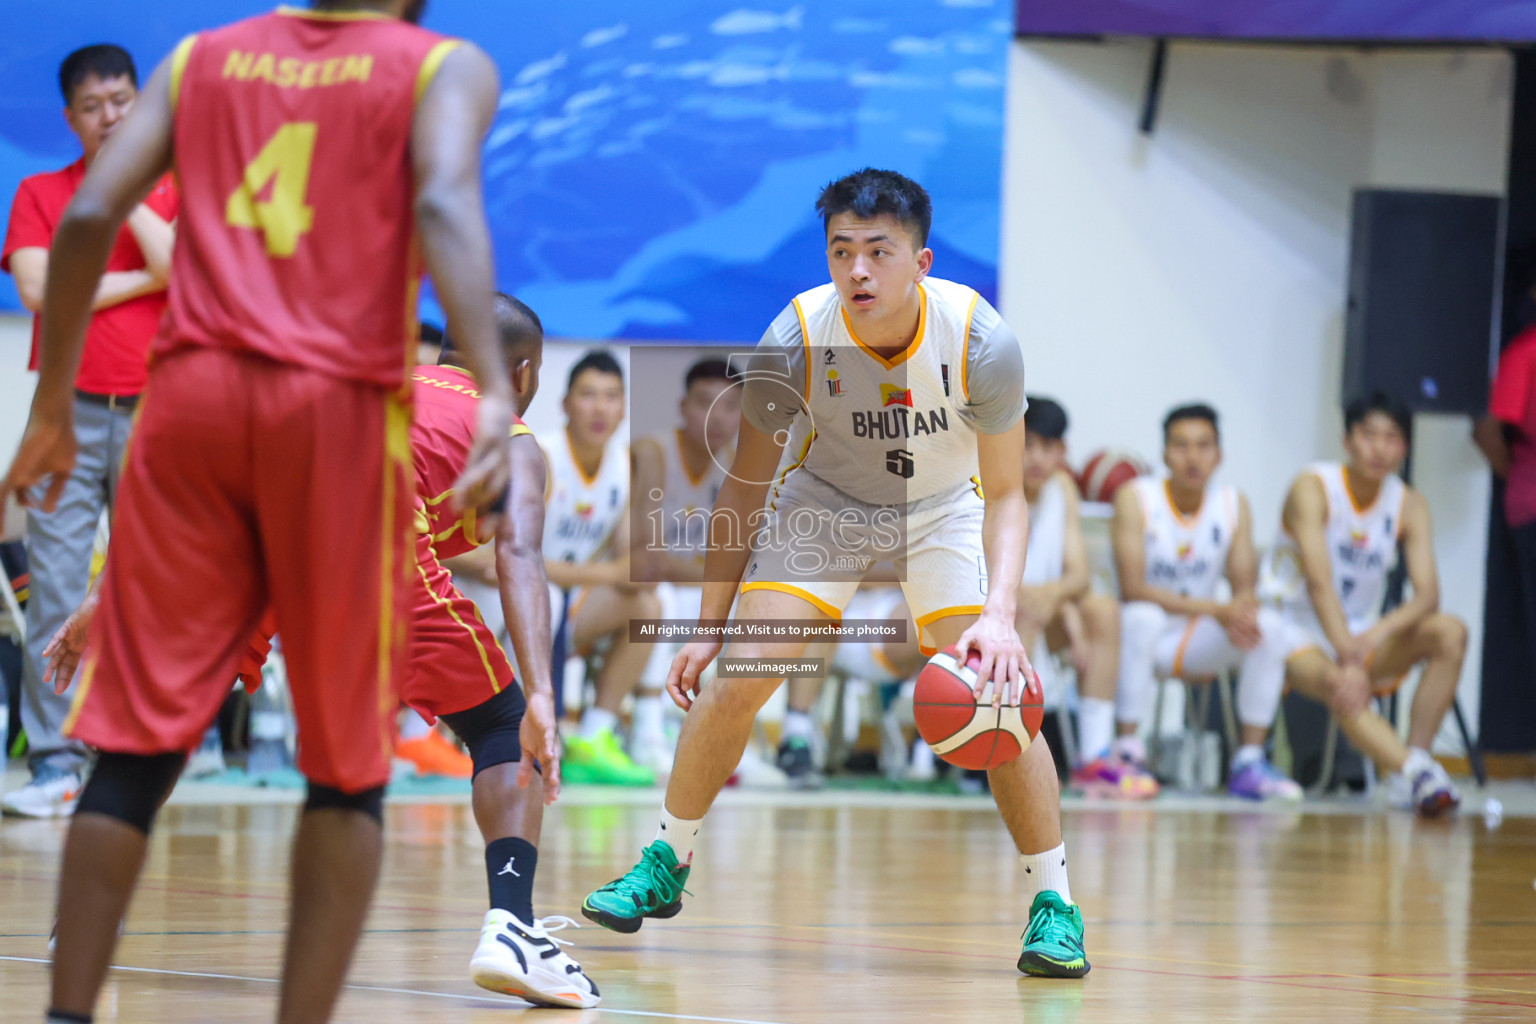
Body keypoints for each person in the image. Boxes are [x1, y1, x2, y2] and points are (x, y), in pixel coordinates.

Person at [0, 5, 518, 1022]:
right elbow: (448, 204)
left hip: (186, 407)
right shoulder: (443, 66)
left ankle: (62, 1016)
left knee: (139, 748)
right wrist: (491, 381)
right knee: (343, 771)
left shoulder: (202, 57)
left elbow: (93, 213)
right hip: (332, 409)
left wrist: (52, 401)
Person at [582, 168, 1090, 978]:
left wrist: (999, 616)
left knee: (999, 684)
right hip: (826, 501)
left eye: (878, 252)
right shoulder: (792, 343)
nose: (857, 270)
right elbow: (742, 494)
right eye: (841, 250)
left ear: (920, 262)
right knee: (742, 677)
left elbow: (1005, 496)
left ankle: (1053, 903)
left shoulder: (980, 340)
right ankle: (665, 861)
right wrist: (710, 627)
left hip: (941, 505)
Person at [43, 295, 596, 1008]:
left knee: (174, 721)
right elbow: (519, 552)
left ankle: (84, 919)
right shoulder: (512, 437)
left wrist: (106, 593)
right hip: (370, 540)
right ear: (523, 375)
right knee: (501, 724)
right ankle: (514, 928)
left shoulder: (378, 390)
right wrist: (544, 693)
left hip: (256, 530)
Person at [0, 44, 177, 818]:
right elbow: (40, 289)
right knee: (58, 588)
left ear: (141, 102)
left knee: (161, 584)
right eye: (94, 107)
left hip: (166, 411)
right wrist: (145, 277)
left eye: (122, 101)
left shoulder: (180, 187)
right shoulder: (41, 191)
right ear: (70, 118)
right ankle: (55, 763)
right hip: (67, 411)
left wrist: (122, 189)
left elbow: (187, 267)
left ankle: (146, 751)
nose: (110, 117)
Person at [1262, 392, 1464, 816]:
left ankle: (1412, 767)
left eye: (1391, 437)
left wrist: (1375, 633)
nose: (1379, 447)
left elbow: (1427, 594)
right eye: (1369, 435)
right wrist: (1349, 654)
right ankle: (1416, 773)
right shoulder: (1313, 486)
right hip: (1291, 626)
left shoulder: (1409, 503)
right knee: (1342, 682)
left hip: (1356, 631)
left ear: (1404, 448)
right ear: (1347, 440)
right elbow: (1318, 582)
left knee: (1450, 632)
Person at [1110, 404, 1299, 802]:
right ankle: (1126, 752)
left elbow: (1244, 587)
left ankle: (1248, 760)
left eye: (1203, 446)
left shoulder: (1233, 503)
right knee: (1141, 616)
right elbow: (1132, 588)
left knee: (1270, 626)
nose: (1192, 457)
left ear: (1219, 454)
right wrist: (1218, 609)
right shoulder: (1135, 497)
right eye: (1180, 446)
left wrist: (1243, 610)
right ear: (1164, 455)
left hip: (1194, 639)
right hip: (1139, 638)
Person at [544, 350, 657, 786]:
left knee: (649, 602)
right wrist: (612, 574)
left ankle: (595, 736)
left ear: (624, 408)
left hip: (574, 607)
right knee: (549, 597)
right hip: (518, 604)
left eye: (611, 397)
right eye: (588, 395)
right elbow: (514, 561)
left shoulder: (624, 466)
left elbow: (631, 556)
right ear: (565, 403)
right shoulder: (542, 457)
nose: (600, 408)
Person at [630, 358, 742, 775]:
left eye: (731, 407)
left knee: (750, 607)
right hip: (646, 588)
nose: (718, 417)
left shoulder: (740, 467)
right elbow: (647, 558)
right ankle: (647, 732)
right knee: (664, 597)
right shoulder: (652, 452)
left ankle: (727, 736)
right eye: (705, 403)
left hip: (696, 586)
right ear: (683, 407)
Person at [1009, 397, 1123, 796]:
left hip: (1042, 612)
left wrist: (1060, 601)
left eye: (1049, 446)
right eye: (1028, 444)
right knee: (1024, 607)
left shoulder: (1063, 488)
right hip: (991, 619)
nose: (1037, 457)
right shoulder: (989, 484)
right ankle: (1014, 755)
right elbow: (981, 577)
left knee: (1103, 611)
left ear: (1063, 452)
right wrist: (1056, 601)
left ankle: (1094, 756)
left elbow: (1078, 574)